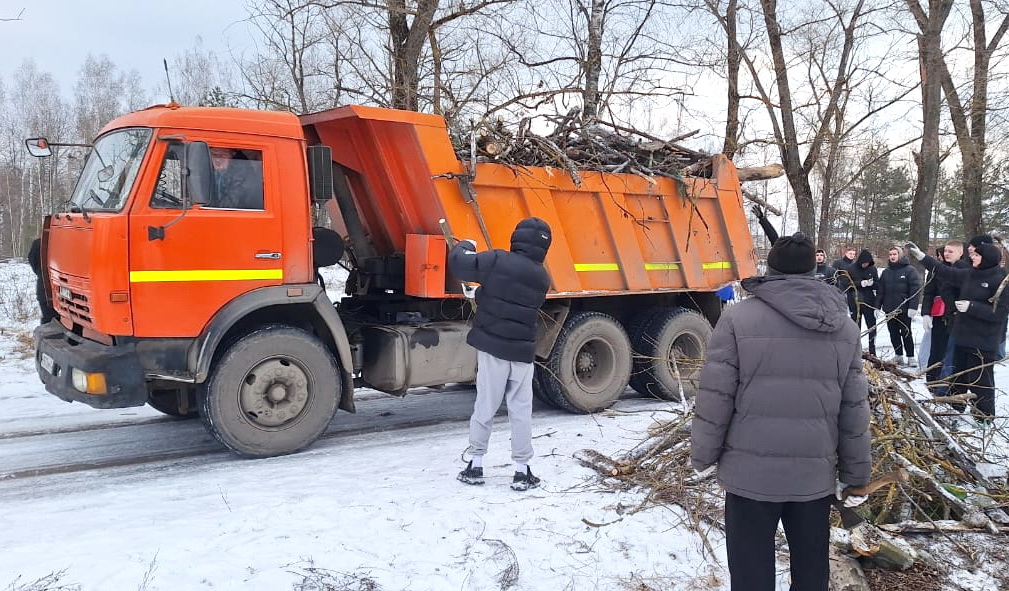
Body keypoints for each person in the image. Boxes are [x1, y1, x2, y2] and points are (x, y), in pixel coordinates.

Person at [691, 232, 871, 591]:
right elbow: (854, 408)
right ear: (813, 268)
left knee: (750, 571)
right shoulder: (843, 325)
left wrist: (704, 455)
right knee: (811, 569)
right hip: (813, 474)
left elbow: (716, 395)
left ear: (769, 267)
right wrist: (856, 474)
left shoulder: (738, 319)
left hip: (749, 474)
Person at [448, 217, 552, 491]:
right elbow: (517, 302)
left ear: (516, 238)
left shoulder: (497, 261)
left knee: (486, 406)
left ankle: (476, 464)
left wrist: (466, 244)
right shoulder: (542, 278)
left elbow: (460, 263)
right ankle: (522, 469)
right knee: (521, 410)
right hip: (522, 352)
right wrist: (484, 293)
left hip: (494, 349)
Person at [906, 241, 1009, 424]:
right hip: (962, 335)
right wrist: (922, 257)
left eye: (976, 256)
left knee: (981, 380)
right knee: (958, 374)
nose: (972, 258)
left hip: (983, 340)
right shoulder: (970, 273)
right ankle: (955, 406)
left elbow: (1000, 313)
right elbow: (946, 272)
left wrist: (972, 306)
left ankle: (983, 416)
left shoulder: (1001, 279)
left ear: (987, 258)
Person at [921, 241, 965, 391]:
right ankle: (932, 383)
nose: (946, 254)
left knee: (954, 355)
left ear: (960, 252)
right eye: (945, 251)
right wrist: (925, 313)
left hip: (958, 318)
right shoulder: (936, 270)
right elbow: (928, 293)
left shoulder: (966, 270)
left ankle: (951, 387)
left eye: (950, 251)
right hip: (940, 316)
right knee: (936, 351)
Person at [876, 246, 921, 366]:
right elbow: (881, 291)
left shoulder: (910, 270)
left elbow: (915, 290)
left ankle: (911, 356)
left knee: (906, 333)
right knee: (893, 333)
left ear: (900, 255)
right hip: (890, 309)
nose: (892, 256)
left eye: (894, 254)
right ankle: (898, 355)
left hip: (904, 309)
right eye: (890, 254)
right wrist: (877, 306)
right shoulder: (886, 272)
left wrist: (913, 307)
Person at [836, 249, 879, 356]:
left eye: (867, 263)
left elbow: (878, 284)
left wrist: (872, 284)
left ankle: (872, 350)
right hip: (854, 301)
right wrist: (861, 283)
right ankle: (855, 349)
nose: (865, 265)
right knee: (855, 327)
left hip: (869, 302)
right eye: (864, 263)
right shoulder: (850, 268)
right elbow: (845, 284)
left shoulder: (872, 269)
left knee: (872, 326)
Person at [27, 237, 57, 324]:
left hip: (44, 288)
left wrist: (41, 273)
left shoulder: (38, 243)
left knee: (48, 319)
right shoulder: (63, 242)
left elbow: (32, 261)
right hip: (62, 291)